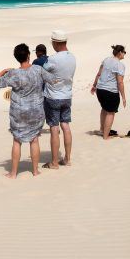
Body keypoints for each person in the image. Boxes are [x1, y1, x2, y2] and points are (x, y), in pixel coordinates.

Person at [0, 43, 47, 178]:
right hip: (36, 111)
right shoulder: (37, 70)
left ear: (17, 58)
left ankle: (13, 173)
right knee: (34, 139)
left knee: (17, 140)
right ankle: (35, 171)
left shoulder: (13, 74)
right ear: (29, 55)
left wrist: (4, 70)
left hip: (19, 113)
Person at [42, 30, 76, 169]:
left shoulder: (53, 59)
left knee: (54, 128)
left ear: (56, 42)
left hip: (53, 97)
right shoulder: (72, 57)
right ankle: (67, 159)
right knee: (66, 125)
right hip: (67, 96)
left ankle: (54, 162)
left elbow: (43, 73)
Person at [90, 45, 127, 140]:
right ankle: (106, 136)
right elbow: (120, 82)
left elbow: (99, 74)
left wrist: (94, 86)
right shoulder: (120, 65)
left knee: (104, 109)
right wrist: (123, 97)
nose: (125, 54)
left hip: (100, 90)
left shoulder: (106, 60)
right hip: (110, 91)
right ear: (120, 53)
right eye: (124, 52)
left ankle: (102, 130)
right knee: (111, 112)